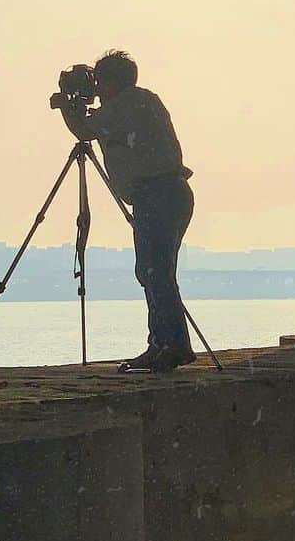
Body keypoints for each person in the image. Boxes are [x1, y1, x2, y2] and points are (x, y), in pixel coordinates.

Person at [50, 50, 196, 372]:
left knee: (154, 271)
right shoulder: (142, 102)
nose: (97, 89)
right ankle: (162, 344)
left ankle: (171, 346)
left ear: (114, 81)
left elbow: (84, 131)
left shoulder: (127, 104)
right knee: (153, 271)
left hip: (158, 194)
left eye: (100, 82)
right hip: (167, 194)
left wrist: (65, 106)